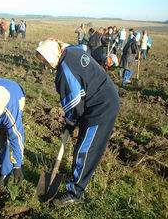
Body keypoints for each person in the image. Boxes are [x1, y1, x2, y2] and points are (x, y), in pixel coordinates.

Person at [35, 39, 120, 206]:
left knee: (85, 149)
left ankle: (75, 192)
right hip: (101, 95)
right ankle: (77, 174)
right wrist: (71, 123)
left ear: (51, 56)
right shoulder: (71, 50)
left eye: (45, 61)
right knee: (83, 143)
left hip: (101, 107)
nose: (45, 66)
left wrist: (69, 123)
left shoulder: (64, 72)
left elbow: (75, 108)